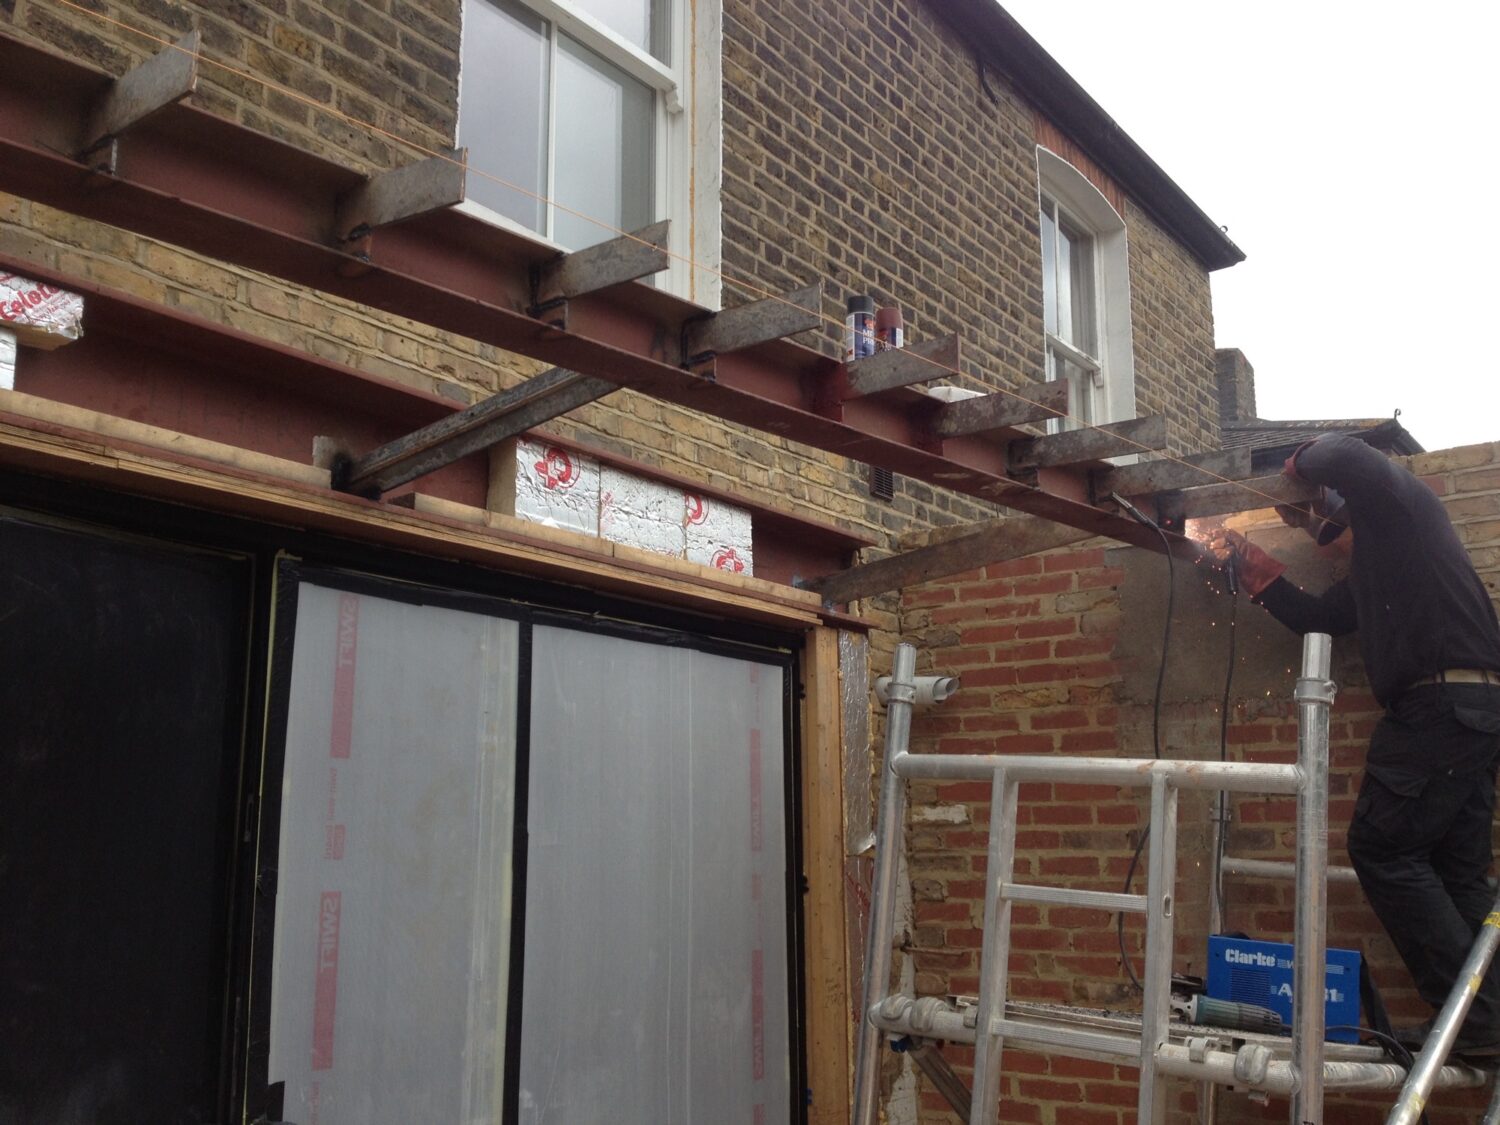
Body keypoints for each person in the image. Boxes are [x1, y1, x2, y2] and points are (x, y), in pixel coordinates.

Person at [1223, 432, 1500, 1056]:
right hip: (1473, 711)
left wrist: (1297, 463)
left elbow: (1345, 454)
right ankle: (1484, 1019)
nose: (1323, 539)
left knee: (1381, 849)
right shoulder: (1385, 568)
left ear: (1348, 510)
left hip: (1440, 706)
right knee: (1457, 873)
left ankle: (1476, 1018)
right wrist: (1261, 577)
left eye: (1321, 522)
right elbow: (1319, 618)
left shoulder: (1404, 508)